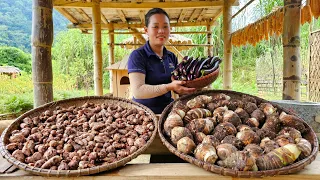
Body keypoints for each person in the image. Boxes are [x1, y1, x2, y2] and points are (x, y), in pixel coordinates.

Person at [127, 8, 196, 114]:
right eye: (155, 26)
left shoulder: (171, 56)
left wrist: (189, 88)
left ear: (170, 29)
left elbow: (176, 85)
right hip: (142, 114)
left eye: (165, 26)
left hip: (168, 111)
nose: (161, 31)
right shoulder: (137, 56)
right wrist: (169, 87)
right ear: (146, 30)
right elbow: (138, 91)